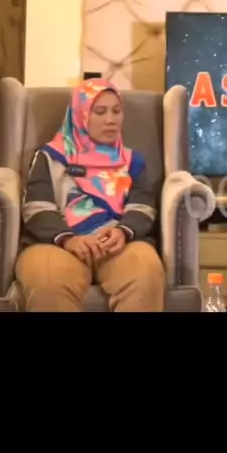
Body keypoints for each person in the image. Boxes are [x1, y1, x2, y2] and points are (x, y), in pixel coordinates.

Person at [15, 78, 166, 311]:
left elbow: (143, 207)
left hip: (117, 244)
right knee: (49, 282)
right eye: (100, 112)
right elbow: (37, 207)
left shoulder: (132, 161)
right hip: (57, 243)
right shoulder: (50, 157)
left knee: (145, 273)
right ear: (80, 115)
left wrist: (122, 231)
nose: (111, 120)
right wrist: (68, 239)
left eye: (116, 111)